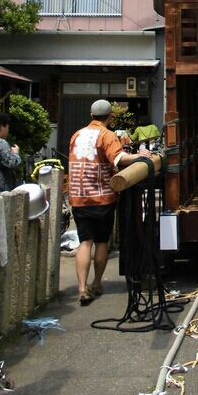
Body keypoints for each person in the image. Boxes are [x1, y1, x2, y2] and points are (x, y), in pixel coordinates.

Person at [69, 99, 151, 306]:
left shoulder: (76, 135)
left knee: (84, 242)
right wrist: (141, 156)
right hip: (101, 196)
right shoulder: (107, 135)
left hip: (78, 197)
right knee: (101, 241)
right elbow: (119, 159)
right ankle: (96, 283)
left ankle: (81, 288)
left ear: (90, 114)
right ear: (110, 117)